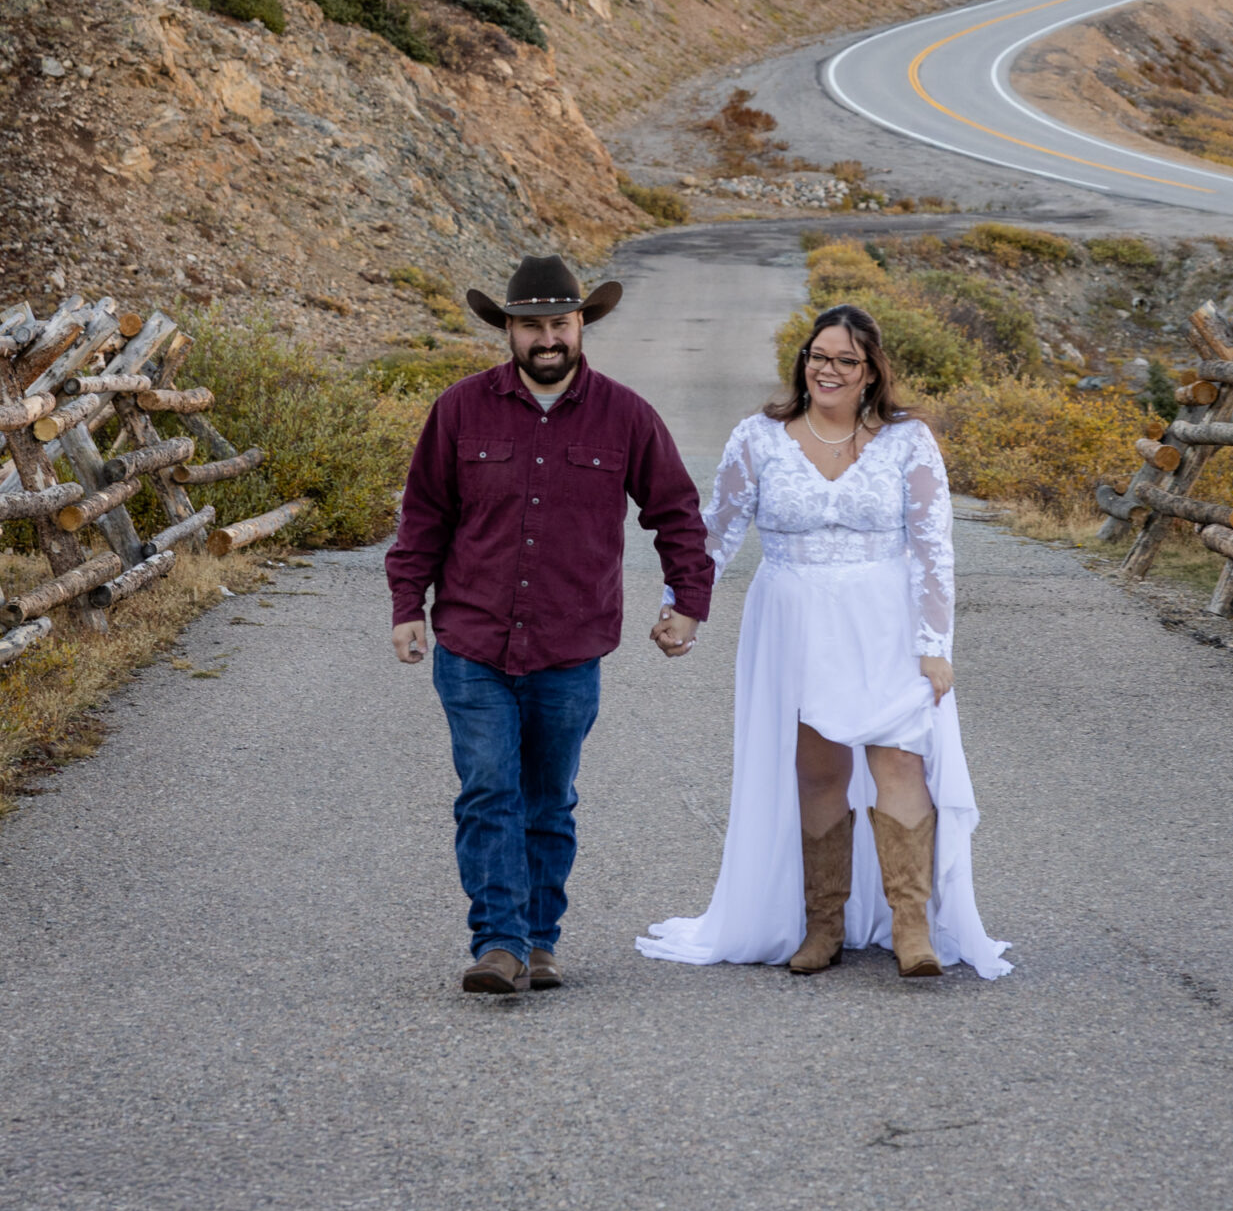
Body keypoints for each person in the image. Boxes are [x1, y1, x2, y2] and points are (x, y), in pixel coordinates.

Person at [637, 301, 1010, 980]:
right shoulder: (758, 438)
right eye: (819, 357)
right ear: (802, 362)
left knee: (899, 762)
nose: (828, 370)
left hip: (886, 622)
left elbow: (934, 549)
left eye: (845, 360)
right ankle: (824, 924)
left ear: (870, 372)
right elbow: (716, 532)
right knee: (819, 770)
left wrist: (935, 644)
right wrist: (682, 606)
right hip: (793, 621)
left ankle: (912, 927)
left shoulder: (908, 441)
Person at [388, 254, 713, 996]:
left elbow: (676, 514)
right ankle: (499, 943)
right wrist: (407, 606)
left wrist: (687, 601)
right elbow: (424, 516)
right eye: (530, 326)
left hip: (569, 648)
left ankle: (540, 941)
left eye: (559, 323)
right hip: (472, 642)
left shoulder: (627, 416)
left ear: (581, 325)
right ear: (507, 330)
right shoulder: (459, 410)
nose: (546, 339)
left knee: (548, 802)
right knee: (487, 792)